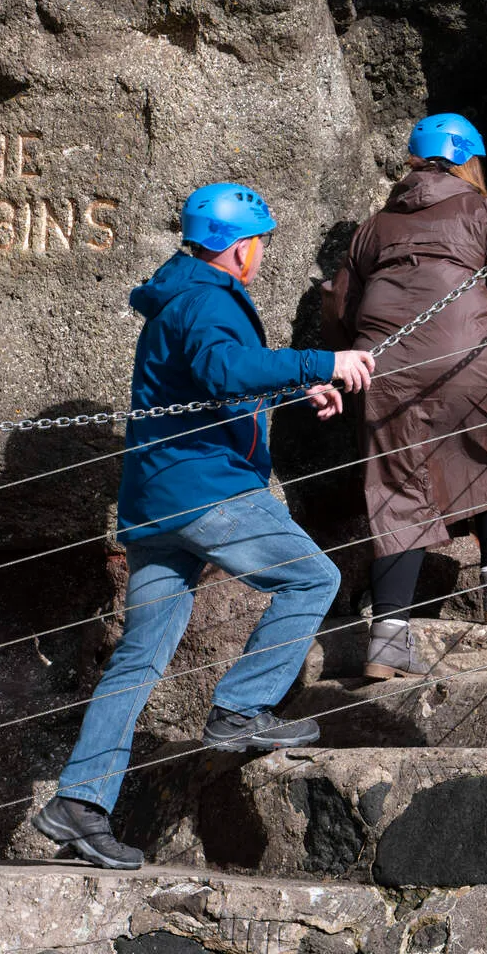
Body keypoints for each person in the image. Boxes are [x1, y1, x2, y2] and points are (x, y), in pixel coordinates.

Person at [30, 182, 376, 870]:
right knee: (313, 577)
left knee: (140, 657)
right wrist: (324, 361)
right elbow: (224, 370)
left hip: (155, 502)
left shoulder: (179, 293)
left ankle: (79, 802)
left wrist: (293, 388)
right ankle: (242, 708)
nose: (262, 256)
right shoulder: (207, 297)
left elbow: (208, 380)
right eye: (260, 244)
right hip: (205, 491)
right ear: (238, 247)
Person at [324, 114, 487, 680]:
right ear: (469, 159)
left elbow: (339, 306)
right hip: (469, 358)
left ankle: (388, 639)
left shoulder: (375, 226)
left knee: (394, 485)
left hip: (383, 364)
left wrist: (349, 360)